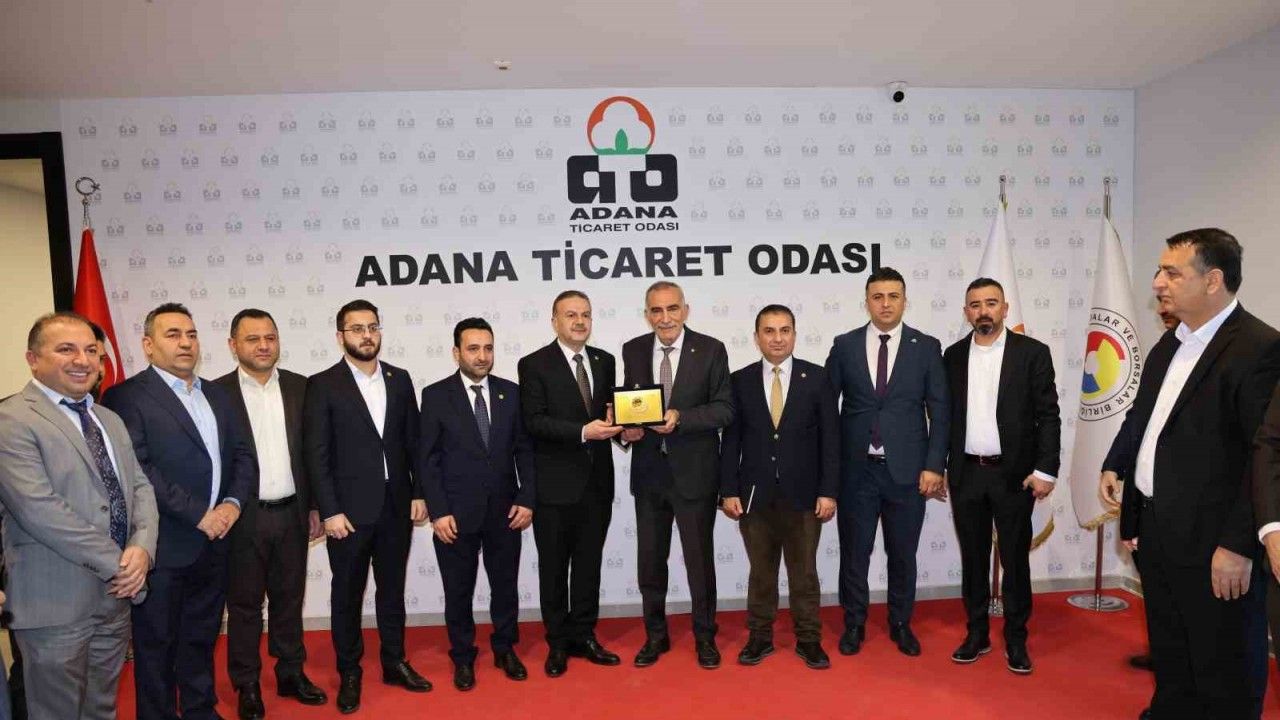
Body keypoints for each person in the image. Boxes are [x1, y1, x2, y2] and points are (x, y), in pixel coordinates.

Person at [1115, 229, 1279, 719]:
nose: (1158, 282)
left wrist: (1238, 545)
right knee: (1172, 654)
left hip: (1215, 546)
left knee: (1223, 665)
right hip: (1159, 532)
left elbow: (1263, 456)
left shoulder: (1258, 348)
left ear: (1213, 280)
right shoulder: (1171, 344)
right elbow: (1148, 427)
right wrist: (1133, 513)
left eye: (1172, 273)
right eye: (1159, 271)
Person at [0, 311, 158, 720]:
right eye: (66, 349)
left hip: (115, 598)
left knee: (101, 708)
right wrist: (119, 565)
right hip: (55, 602)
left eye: (91, 350)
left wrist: (142, 550)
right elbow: (39, 509)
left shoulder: (108, 419)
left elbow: (140, 488)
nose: (82, 360)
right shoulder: (12, 420)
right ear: (33, 359)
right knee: (56, 712)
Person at [103, 303, 255, 720]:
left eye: (191, 334)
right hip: (162, 546)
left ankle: (200, 709)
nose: (185, 343)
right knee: (156, 646)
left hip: (216, 542)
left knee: (201, 638)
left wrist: (232, 505)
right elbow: (138, 467)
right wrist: (198, 514)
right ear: (148, 345)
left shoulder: (218, 394)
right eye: (172, 335)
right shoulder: (127, 396)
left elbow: (243, 454)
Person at [303, 299, 429, 714]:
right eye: (357, 329)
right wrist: (330, 510)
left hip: (396, 508)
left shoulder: (399, 378)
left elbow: (414, 443)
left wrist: (419, 492)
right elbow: (317, 453)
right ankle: (349, 671)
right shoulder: (323, 384)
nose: (367, 335)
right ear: (340, 336)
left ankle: (394, 662)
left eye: (372, 327)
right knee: (347, 594)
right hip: (348, 515)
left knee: (392, 591)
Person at [825, 267, 949, 657]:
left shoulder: (925, 347)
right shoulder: (844, 345)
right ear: (866, 301)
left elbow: (940, 411)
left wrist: (934, 465)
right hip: (856, 472)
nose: (885, 304)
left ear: (905, 301)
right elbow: (826, 411)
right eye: (877, 296)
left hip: (908, 474)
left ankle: (900, 623)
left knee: (903, 554)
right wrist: (828, 471)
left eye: (893, 296)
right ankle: (854, 623)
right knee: (854, 554)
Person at [942, 278, 1060, 674]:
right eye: (975, 305)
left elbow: (1049, 416)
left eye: (991, 303)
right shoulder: (952, 356)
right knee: (973, 559)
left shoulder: (1032, 353)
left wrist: (1045, 470)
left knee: (1014, 560)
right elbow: (944, 418)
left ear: (1005, 309)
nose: (983, 311)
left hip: (1014, 476)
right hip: (966, 474)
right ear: (966, 313)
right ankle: (976, 634)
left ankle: (1016, 639)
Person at [213, 309, 327, 719]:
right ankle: (246, 682)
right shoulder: (215, 393)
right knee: (244, 605)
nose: (263, 346)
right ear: (233, 345)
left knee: (289, 599)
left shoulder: (301, 387)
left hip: (293, 513)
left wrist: (315, 505)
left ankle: (290, 672)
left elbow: (313, 452)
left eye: (270, 337)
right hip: (243, 518)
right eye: (253, 339)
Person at [621, 281, 735, 669]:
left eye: (672, 309)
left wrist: (681, 418)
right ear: (647, 314)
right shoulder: (633, 350)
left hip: (695, 475)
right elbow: (629, 408)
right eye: (656, 310)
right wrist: (626, 431)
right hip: (649, 475)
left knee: (699, 563)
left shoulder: (711, 349)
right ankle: (655, 636)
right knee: (650, 563)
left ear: (685, 310)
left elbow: (724, 409)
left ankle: (705, 636)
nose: (665, 318)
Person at [419, 318, 536, 691]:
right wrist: (438, 511)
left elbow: (524, 450)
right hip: (454, 515)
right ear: (456, 352)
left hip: (505, 512)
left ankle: (505, 648)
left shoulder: (511, 393)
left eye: (488, 348)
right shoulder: (436, 396)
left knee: (505, 586)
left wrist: (527, 498)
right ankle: (462, 656)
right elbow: (427, 459)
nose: (482, 356)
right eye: (473, 348)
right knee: (458, 591)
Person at [719, 304, 838, 669]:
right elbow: (731, 441)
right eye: (769, 331)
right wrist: (728, 490)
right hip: (754, 498)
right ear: (756, 337)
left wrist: (828, 491)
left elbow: (831, 441)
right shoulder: (739, 381)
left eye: (784, 330)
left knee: (804, 574)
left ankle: (809, 639)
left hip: (804, 497)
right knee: (761, 573)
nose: (777, 338)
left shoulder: (817, 378)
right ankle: (759, 637)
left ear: (795, 335)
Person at [516, 290, 623, 677]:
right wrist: (582, 431)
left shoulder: (605, 360)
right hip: (554, 488)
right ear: (554, 321)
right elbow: (534, 421)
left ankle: (584, 635)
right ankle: (558, 643)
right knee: (554, 569)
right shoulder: (534, 364)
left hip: (597, 485)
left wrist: (624, 431)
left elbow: (610, 415)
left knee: (589, 567)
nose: (579, 321)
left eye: (586, 315)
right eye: (571, 315)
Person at [1099, 302, 1178, 675]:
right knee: (1156, 586)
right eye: (1160, 300)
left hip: (1185, 502)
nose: (1163, 306)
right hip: (1145, 498)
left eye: (1170, 295)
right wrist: (1112, 464)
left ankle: (1180, 664)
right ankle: (1165, 654)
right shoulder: (1163, 351)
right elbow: (1138, 417)